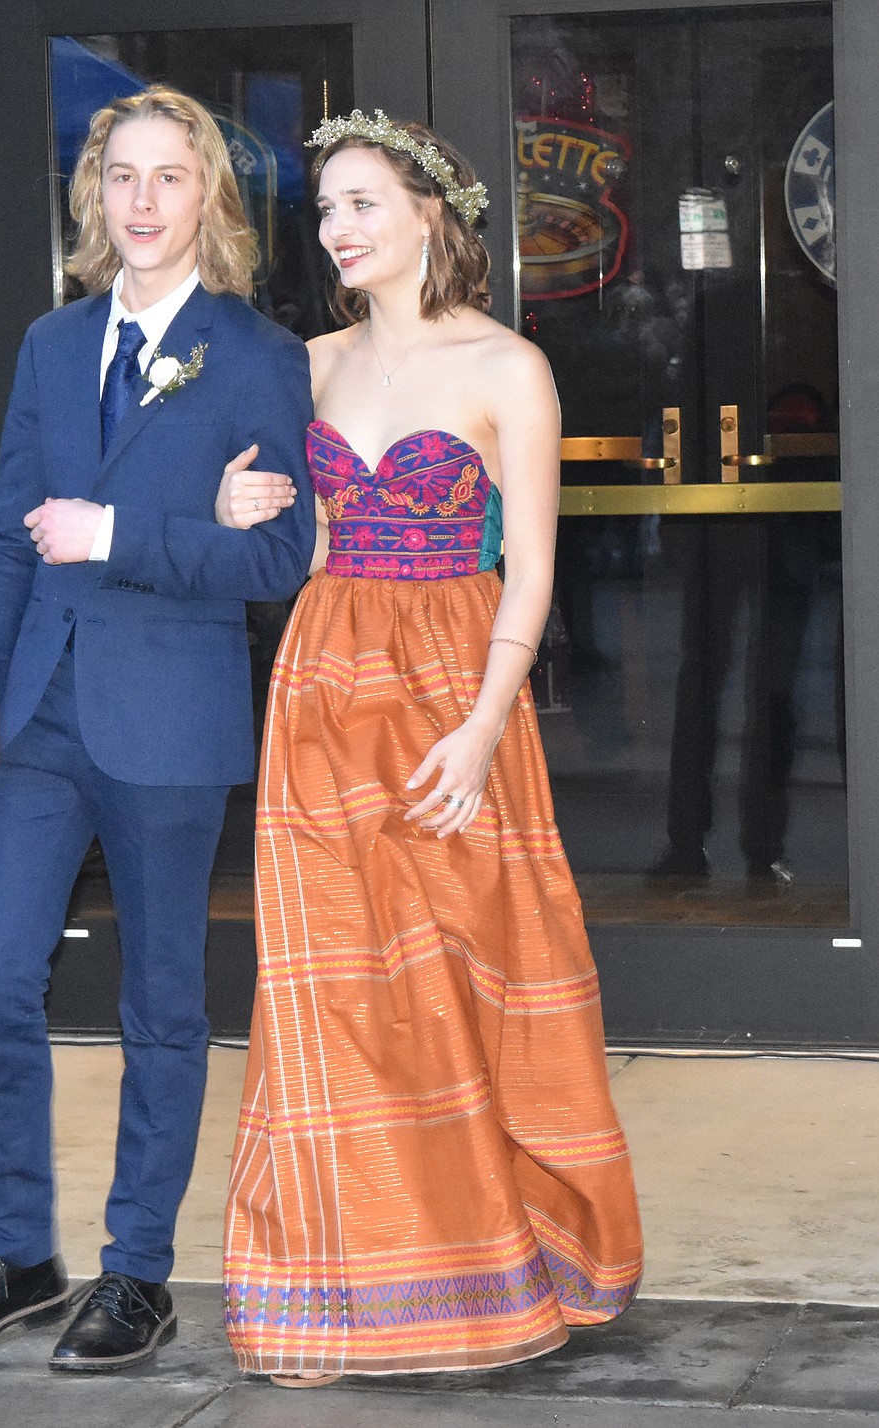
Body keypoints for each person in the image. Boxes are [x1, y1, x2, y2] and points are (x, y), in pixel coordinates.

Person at [0, 86, 316, 1372]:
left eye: (169, 178)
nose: (141, 201)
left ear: (209, 202)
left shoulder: (254, 355)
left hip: (170, 720)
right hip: (36, 713)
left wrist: (126, 533)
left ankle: (137, 1274)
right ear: (94, 198)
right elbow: (15, 537)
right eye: (121, 177)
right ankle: (17, 1253)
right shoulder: (52, 346)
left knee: (161, 1004)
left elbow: (287, 552)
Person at [217, 110, 643, 1384]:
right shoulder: (303, 365)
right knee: (336, 990)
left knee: (466, 976)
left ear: (429, 218)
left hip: (458, 688)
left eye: (362, 205)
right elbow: (282, 537)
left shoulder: (509, 365)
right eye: (328, 210)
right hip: (322, 686)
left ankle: (494, 1259)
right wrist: (231, 506)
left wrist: (482, 727)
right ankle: (346, 1284)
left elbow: (534, 576)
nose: (339, 230)